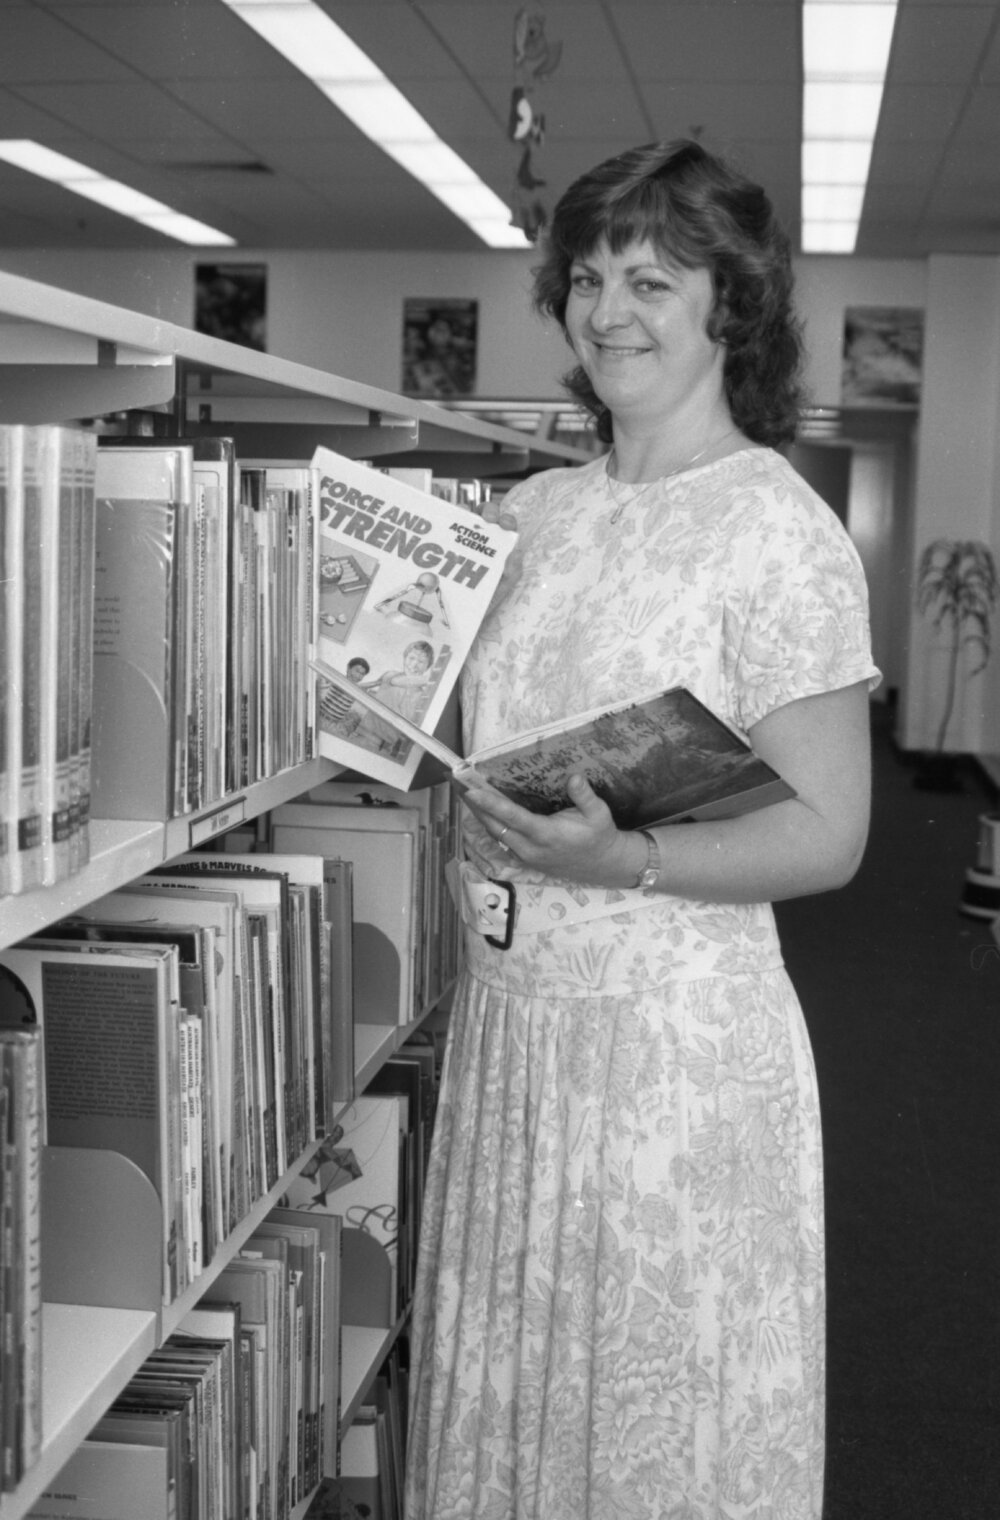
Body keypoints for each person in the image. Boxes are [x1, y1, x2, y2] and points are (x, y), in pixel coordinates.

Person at [404, 140, 880, 1520]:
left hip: (671, 1062)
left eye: (653, 278)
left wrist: (628, 862)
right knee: (514, 1417)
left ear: (731, 303)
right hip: (515, 1030)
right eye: (591, 276)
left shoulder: (778, 533)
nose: (611, 309)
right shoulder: (530, 516)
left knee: (649, 1433)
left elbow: (832, 832)